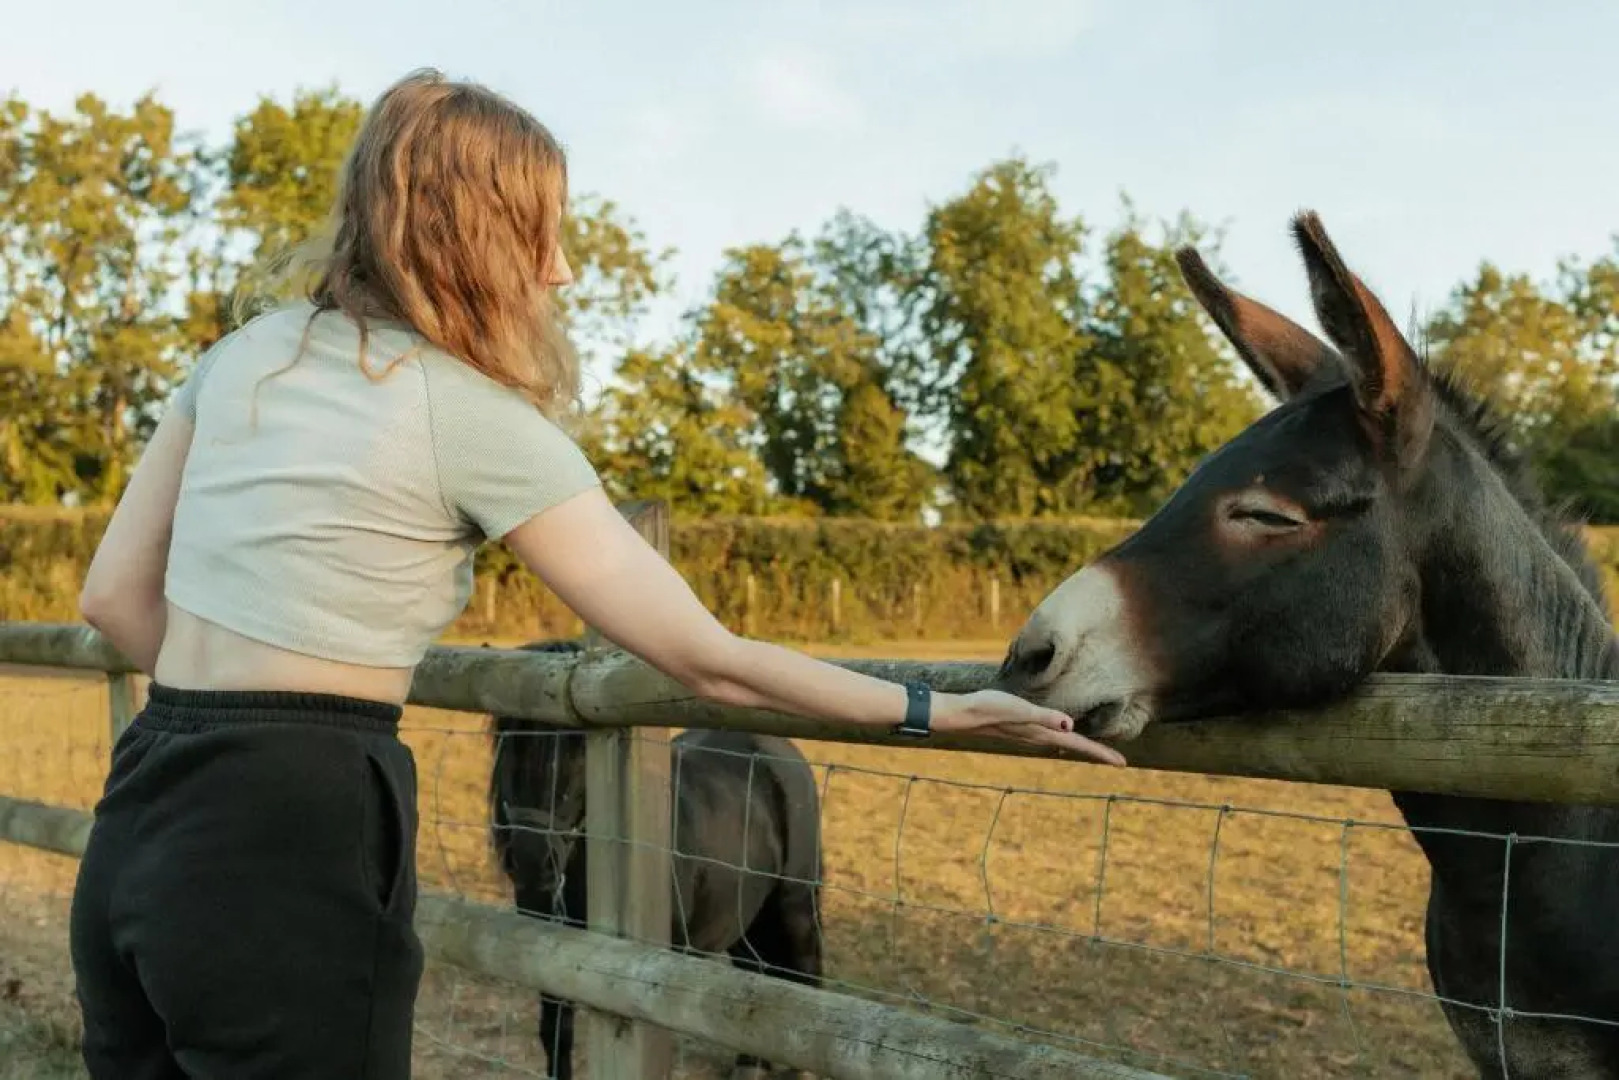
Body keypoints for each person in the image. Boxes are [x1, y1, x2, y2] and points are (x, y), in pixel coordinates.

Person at [67, 67, 1128, 1080]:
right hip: (294, 825)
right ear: (473, 241)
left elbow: (110, 598)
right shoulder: (469, 416)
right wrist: (936, 715)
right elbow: (707, 662)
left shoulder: (245, 356)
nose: (560, 270)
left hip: (141, 805)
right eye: (542, 235)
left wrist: (230, 714)